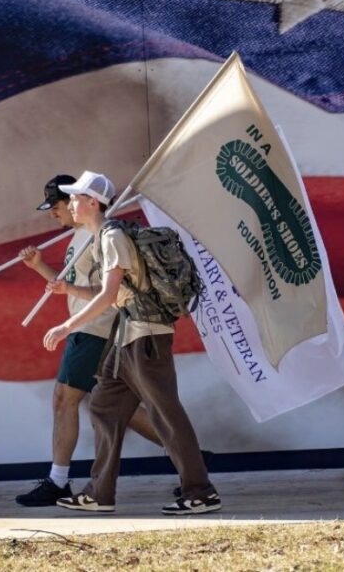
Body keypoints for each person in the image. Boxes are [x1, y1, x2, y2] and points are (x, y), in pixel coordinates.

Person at [44, 170, 221, 515]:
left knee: (166, 413)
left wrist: (67, 325)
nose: (71, 204)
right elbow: (111, 292)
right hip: (126, 335)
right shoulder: (101, 238)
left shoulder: (111, 237)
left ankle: (200, 491)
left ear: (92, 202)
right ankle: (99, 493)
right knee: (104, 408)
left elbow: (109, 294)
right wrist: (70, 291)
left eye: (76, 197)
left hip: (146, 335)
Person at [14, 175, 164, 506]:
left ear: (82, 201)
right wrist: (39, 267)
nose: (56, 213)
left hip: (92, 328)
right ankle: (188, 455)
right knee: (118, 404)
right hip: (92, 327)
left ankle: (58, 481)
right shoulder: (81, 236)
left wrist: (68, 325)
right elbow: (70, 286)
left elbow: (104, 292)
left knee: (64, 399)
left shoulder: (98, 236)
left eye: (58, 205)